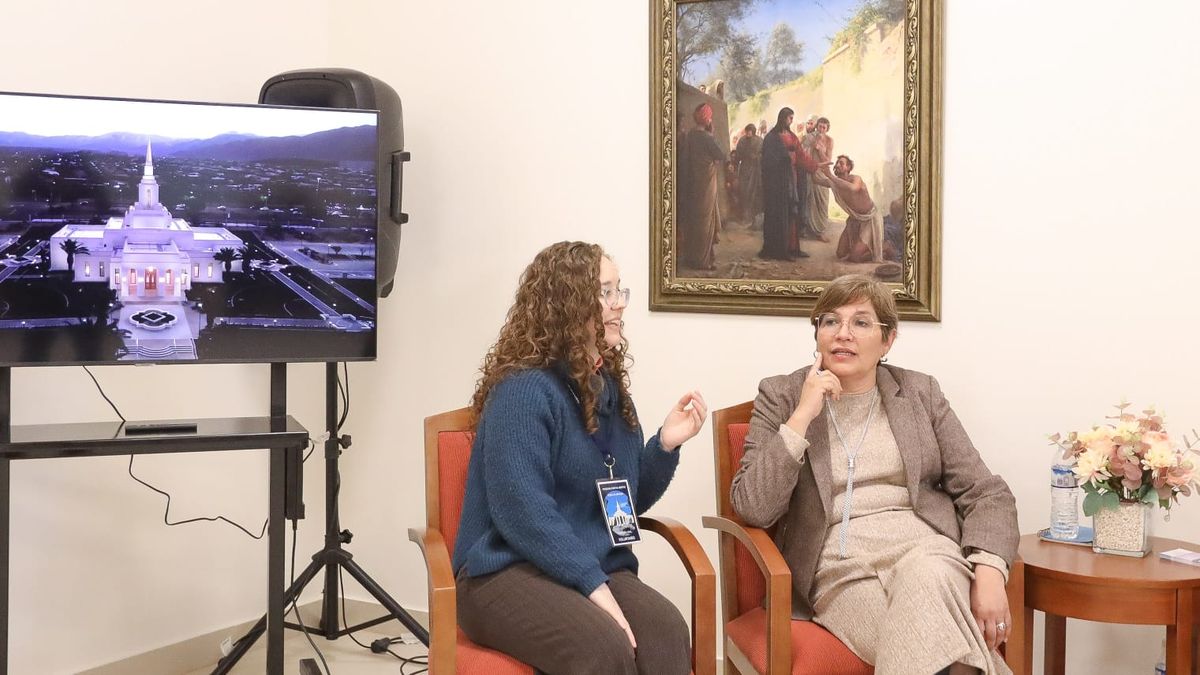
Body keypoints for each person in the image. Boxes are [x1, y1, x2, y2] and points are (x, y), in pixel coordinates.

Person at [730, 274, 1018, 675]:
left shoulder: (920, 393)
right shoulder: (782, 395)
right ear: (817, 333)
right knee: (944, 646)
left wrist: (989, 569)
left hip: (928, 554)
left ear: (888, 341)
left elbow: (986, 492)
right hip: (842, 575)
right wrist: (802, 415)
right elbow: (753, 506)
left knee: (928, 576)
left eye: (861, 322)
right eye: (831, 321)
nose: (842, 334)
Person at [453, 241, 708, 675]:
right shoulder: (522, 391)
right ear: (568, 304)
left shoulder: (606, 388)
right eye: (605, 292)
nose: (619, 303)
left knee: (666, 632)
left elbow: (623, 502)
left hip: (587, 564)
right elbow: (524, 513)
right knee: (602, 649)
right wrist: (594, 586)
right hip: (504, 574)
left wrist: (664, 446)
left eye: (619, 290)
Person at [813, 155, 887, 262]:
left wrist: (830, 176)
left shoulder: (856, 179)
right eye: (837, 163)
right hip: (854, 220)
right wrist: (816, 166)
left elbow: (853, 188)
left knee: (855, 257)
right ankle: (860, 247)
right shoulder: (834, 182)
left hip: (869, 220)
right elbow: (816, 180)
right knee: (840, 253)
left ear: (848, 167)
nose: (838, 165)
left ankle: (884, 247)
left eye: (841, 163)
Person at [759, 107, 811, 260]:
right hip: (777, 182)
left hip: (791, 178)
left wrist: (815, 166)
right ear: (782, 118)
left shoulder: (792, 136)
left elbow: (801, 155)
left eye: (792, 118)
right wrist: (785, 158)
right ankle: (780, 250)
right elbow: (767, 160)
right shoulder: (771, 138)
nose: (791, 121)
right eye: (789, 118)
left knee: (792, 213)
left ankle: (793, 248)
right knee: (779, 214)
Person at [679, 103, 725, 270]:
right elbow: (720, 154)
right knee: (705, 221)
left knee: (695, 219)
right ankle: (702, 261)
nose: (711, 120)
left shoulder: (690, 135)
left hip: (693, 183)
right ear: (706, 119)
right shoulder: (707, 137)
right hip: (706, 184)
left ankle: (694, 257)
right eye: (710, 117)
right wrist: (711, 133)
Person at [802, 116, 834, 240]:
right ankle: (808, 229)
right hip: (811, 172)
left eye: (824, 127)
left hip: (823, 173)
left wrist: (820, 150)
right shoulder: (809, 138)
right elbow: (804, 156)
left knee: (822, 201)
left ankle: (820, 231)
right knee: (810, 201)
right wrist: (811, 147)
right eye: (819, 126)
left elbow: (828, 161)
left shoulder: (829, 141)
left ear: (827, 129)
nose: (821, 129)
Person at [734, 123, 763, 227]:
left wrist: (757, 157)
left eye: (750, 131)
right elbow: (737, 156)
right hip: (745, 169)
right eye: (747, 131)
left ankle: (754, 217)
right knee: (744, 192)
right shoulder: (742, 141)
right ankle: (745, 216)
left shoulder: (760, 141)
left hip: (756, 170)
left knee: (755, 193)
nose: (748, 133)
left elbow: (763, 154)